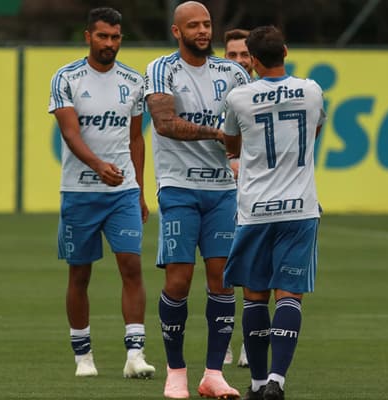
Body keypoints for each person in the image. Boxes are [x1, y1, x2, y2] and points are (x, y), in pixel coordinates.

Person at [144, 1, 250, 398]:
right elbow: (165, 123)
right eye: (194, 25)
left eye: (207, 24)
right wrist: (219, 135)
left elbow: (248, 124)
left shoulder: (234, 72)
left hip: (223, 189)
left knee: (223, 280)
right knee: (179, 278)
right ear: (177, 31)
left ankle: (213, 374)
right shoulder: (161, 69)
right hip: (177, 186)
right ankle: (176, 372)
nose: (203, 31)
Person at [48, 7, 155, 379]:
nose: (110, 44)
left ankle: (135, 354)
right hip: (79, 191)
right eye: (103, 36)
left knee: (132, 266)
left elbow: (135, 138)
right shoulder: (66, 78)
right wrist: (98, 167)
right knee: (79, 275)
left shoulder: (134, 80)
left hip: (122, 192)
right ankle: (83, 357)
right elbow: (70, 133)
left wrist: (139, 190)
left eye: (116, 37)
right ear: (88, 36)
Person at [222, 25, 325, 400]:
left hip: (255, 209)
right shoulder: (312, 90)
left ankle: (255, 383)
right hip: (300, 207)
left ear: (251, 60)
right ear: (285, 50)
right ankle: (277, 382)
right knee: (289, 295)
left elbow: (231, 146)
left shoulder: (238, 98)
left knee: (254, 296)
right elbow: (314, 130)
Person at [222, 27, 253, 369]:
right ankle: (223, 340)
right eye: (233, 55)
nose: (240, 62)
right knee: (222, 272)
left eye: (245, 55)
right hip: (222, 192)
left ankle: (249, 341)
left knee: (254, 273)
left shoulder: (264, 95)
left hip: (257, 195)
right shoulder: (217, 94)